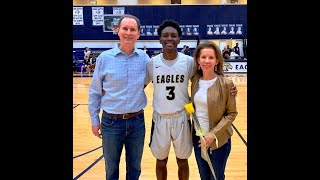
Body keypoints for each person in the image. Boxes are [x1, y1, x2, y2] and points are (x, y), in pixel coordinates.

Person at [145, 19, 238, 180]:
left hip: (182, 118)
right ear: (159, 39)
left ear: (179, 39)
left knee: (183, 160)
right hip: (160, 118)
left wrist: (227, 84)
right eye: (165, 35)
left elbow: (207, 75)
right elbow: (140, 86)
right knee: (160, 161)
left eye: (173, 35)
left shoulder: (188, 62)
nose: (169, 38)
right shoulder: (152, 63)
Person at [88, 14, 151, 180]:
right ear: (118, 31)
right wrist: (95, 120)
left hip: (137, 121)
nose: (128, 33)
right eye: (125, 28)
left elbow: (148, 81)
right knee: (111, 170)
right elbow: (95, 92)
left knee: (135, 168)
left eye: (132, 29)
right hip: (111, 122)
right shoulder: (104, 58)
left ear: (138, 33)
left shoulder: (145, 59)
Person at [190, 41, 238, 180]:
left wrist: (212, 135)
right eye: (203, 57)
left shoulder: (226, 83)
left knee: (216, 177)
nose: (206, 61)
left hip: (219, 140)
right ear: (198, 60)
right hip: (198, 138)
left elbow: (231, 114)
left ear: (217, 60)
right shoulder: (195, 80)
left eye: (211, 57)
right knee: (204, 177)